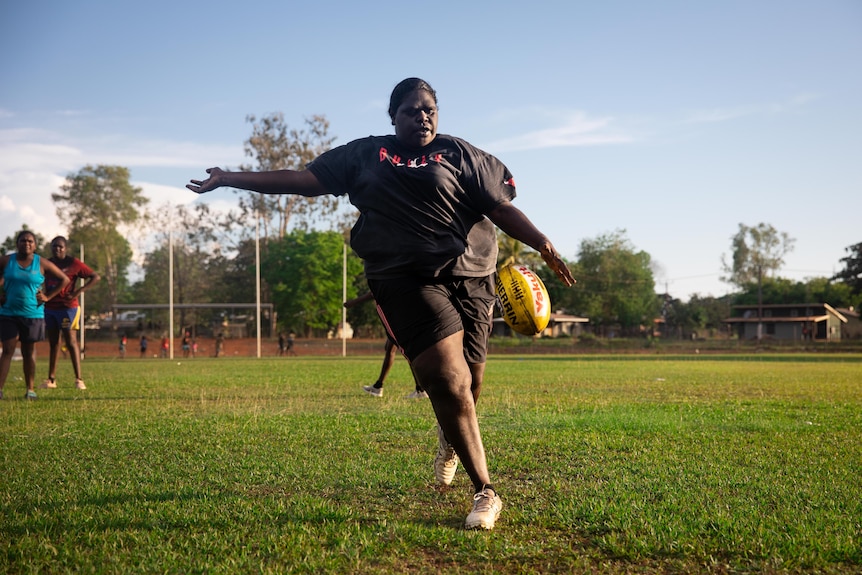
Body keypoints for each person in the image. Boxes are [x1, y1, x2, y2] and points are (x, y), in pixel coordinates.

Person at [187, 77, 574, 530]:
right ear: (393, 116)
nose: (423, 116)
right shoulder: (366, 154)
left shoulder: (462, 154)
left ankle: (450, 438)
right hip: (404, 279)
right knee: (448, 380)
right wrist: (229, 178)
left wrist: (541, 241)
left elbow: (500, 208)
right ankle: (486, 490)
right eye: (411, 110)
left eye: (430, 109)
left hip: (470, 275)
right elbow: (304, 180)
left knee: (470, 385)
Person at [0, 230, 71, 400]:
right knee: (8, 349)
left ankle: (30, 389)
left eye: (30, 241)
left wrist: (48, 297)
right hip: (8, 312)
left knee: (28, 351)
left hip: (32, 314)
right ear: (17, 244)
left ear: (35, 245)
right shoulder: (7, 261)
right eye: (23, 241)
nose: (26, 244)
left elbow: (64, 280)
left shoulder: (41, 263)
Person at [40, 236, 100, 390]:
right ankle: (51, 379)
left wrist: (78, 292)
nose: (57, 249)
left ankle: (79, 379)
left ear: (65, 248)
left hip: (68, 307)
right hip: (50, 307)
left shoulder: (73, 263)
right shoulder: (47, 263)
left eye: (60, 246)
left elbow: (95, 277)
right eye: (54, 246)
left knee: (70, 340)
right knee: (53, 342)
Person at [344, 291, 426, 399]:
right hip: (401, 316)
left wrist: (353, 302)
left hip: (402, 317)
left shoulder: (392, 277)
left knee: (407, 353)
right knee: (390, 349)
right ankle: (378, 386)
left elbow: (374, 292)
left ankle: (421, 389)